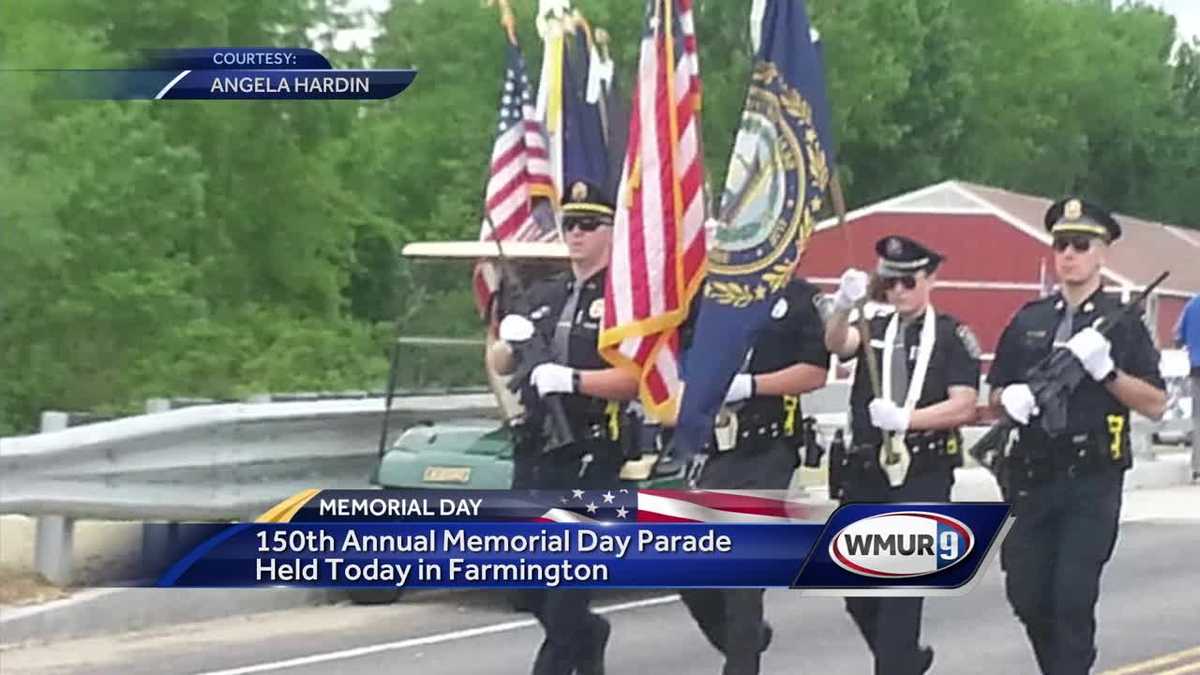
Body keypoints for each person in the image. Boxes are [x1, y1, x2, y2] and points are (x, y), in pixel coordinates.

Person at [990, 198, 1167, 675]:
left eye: (1080, 245)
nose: (1069, 254)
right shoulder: (1030, 320)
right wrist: (1010, 398)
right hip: (1032, 476)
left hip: (1092, 479)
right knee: (1026, 592)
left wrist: (1106, 371)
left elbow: (1155, 402)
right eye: (1061, 245)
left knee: (1071, 597)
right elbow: (995, 390)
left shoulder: (1123, 323)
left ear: (1101, 254)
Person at [491, 181, 638, 675]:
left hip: (591, 451)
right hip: (537, 451)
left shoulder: (628, 301)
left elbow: (636, 380)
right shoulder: (544, 293)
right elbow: (497, 358)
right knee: (522, 584)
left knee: (565, 593)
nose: (574, 234)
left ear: (611, 231)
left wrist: (573, 379)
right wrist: (508, 344)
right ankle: (590, 637)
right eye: (568, 224)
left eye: (587, 225)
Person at [823, 235, 982, 675]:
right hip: (867, 474)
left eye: (908, 282)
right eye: (889, 283)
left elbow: (964, 404)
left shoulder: (952, 335)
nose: (898, 292)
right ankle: (905, 662)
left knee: (899, 594)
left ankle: (896, 663)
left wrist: (908, 419)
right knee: (856, 590)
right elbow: (837, 344)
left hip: (921, 474)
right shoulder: (874, 329)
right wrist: (842, 305)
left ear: (930, 278)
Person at [678, 275, 832, 675]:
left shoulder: (798, 297)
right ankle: (743, 640)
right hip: (714, 448)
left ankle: (742, 662)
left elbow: (815, 371)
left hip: (767, 448)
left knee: (743, 576)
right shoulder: (707, 292)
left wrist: (751, 385)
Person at [1174, 292, 1200, 482]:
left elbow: (1178, 338)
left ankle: (1198, 467)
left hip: (1197, 368)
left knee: (1198, 420)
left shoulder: (1192, 305)